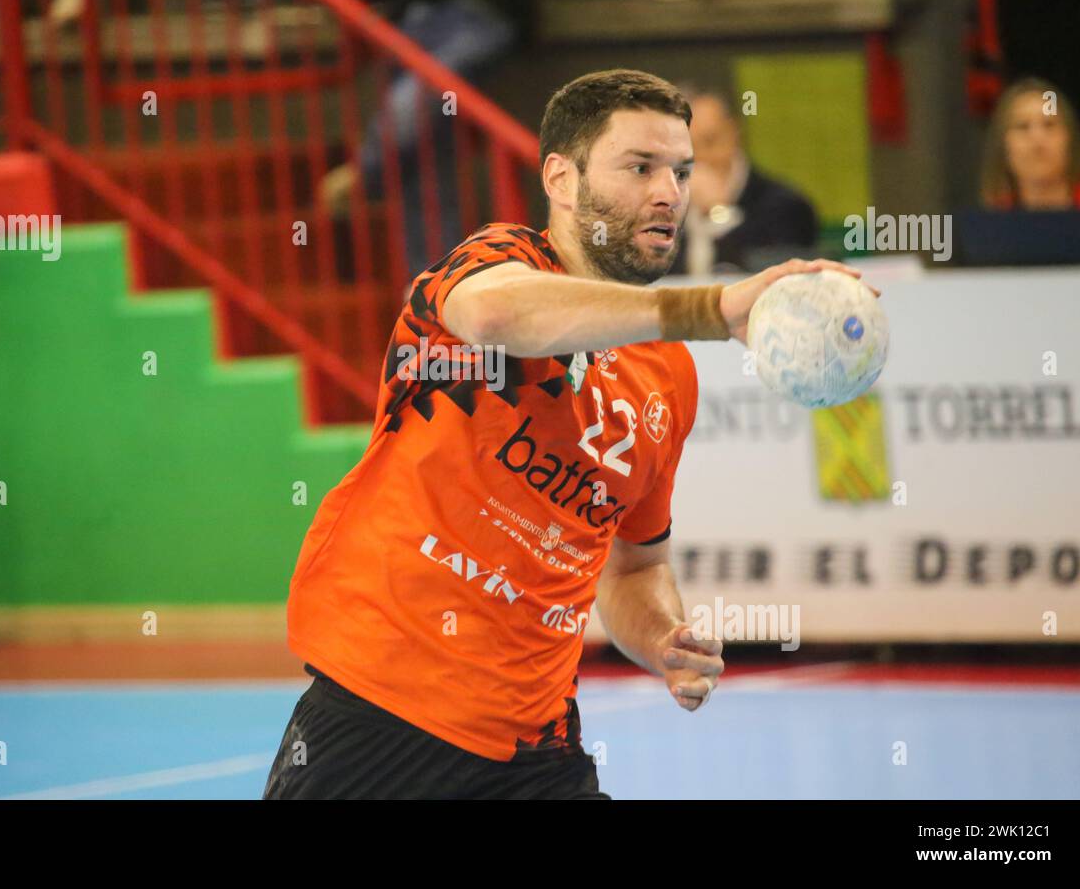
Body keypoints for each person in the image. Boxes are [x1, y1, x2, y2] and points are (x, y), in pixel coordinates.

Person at [263, 69, 875, 799]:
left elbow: (633, 567)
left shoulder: (666, 376)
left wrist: (661, 637)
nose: (669, 194)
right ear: (561, 176)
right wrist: (710, 310)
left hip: (535, 746)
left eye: (681, 172)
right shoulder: (488, 267)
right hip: (379, 714)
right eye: (640, 167)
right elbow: (499, 317)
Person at [667, 88, 818, 275]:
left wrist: (718, 211)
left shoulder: (786, 207)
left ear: (734, 133)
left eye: (709, 141)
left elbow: (762, 277)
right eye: (684, 149)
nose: (698, 160)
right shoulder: (666, 209)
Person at [979, 77, 1080, 244]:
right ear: (1004, 147)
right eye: (1022, 126)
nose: (1038, 139)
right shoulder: (990, 226)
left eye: (1049, 125)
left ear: (1069, 139)